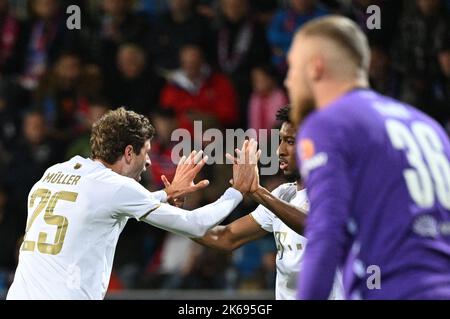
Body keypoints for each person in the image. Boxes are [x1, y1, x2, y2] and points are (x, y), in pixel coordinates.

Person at [6, 107, 258, 300]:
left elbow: (102, 202)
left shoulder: (55, 172)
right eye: (145, 152)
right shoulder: (115, 187)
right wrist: (236, 191)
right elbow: (195, 224)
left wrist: (164, 194)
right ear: (128, 153)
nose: (148, 162)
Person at [285, 15, 450, 299]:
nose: (288, 80)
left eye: (292, 67)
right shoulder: (427, 125)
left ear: (316, 67)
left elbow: (325, 234)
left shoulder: (328, 123)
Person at [191, 105, 343, 300]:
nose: (280, 150)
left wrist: (258, 192)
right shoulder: (282, 194)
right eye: (281, 140)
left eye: (290, 141)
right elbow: (226, 237)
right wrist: (169, 214)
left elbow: (315, 226)